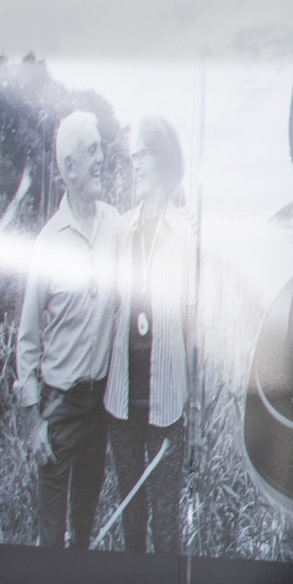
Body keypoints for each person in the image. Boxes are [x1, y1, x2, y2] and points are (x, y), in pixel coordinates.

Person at [14, 110, 121, 549]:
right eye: (92, 150)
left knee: (82, 529)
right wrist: (32, 422)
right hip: (58, 406)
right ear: (69, 168)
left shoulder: (116, 225)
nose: (102, 158)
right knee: (50, 537)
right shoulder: (48, 243)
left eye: (101, 147)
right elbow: (27, 343)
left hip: (99, 404)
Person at [101, 115, 192, 553]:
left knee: (167, 526)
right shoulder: (120, 229)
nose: (134, 163)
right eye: (132, 154)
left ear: (162, 159)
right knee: (131, 522)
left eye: (142, 154)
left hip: (167, 403)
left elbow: (194, 319)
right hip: (121, 401)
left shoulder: (186, 234)